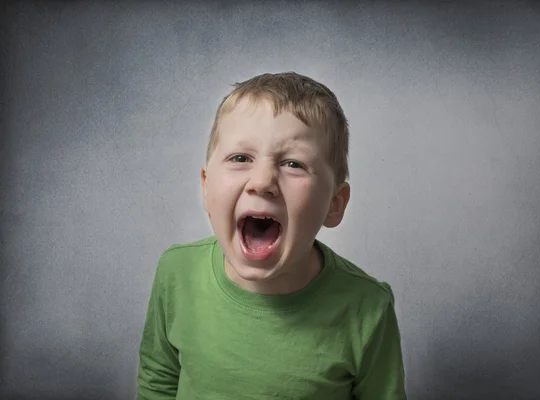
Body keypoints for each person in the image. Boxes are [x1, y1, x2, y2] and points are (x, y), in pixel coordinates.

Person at [136, 71, 407, 399]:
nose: (262, 181)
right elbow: (158, 383)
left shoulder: (368, 309)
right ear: (206, 187)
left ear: (334, 205)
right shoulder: (175, 273)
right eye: (240, 158)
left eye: (293, 164)